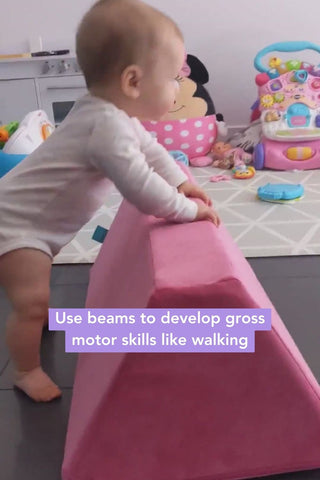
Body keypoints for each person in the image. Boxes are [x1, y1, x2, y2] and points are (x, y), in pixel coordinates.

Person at [0, 0, 220, 402]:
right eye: (173, 78)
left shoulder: (112, 115)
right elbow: (138, 186)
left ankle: (38, 327)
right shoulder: (105, 127)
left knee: (36, 295)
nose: (177, 88)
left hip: (35, 224)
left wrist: (180, 181)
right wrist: (185, 210)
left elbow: (152, 151)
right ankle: (25, 369)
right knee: (30, 302)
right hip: (16, 225)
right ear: (133, 81)